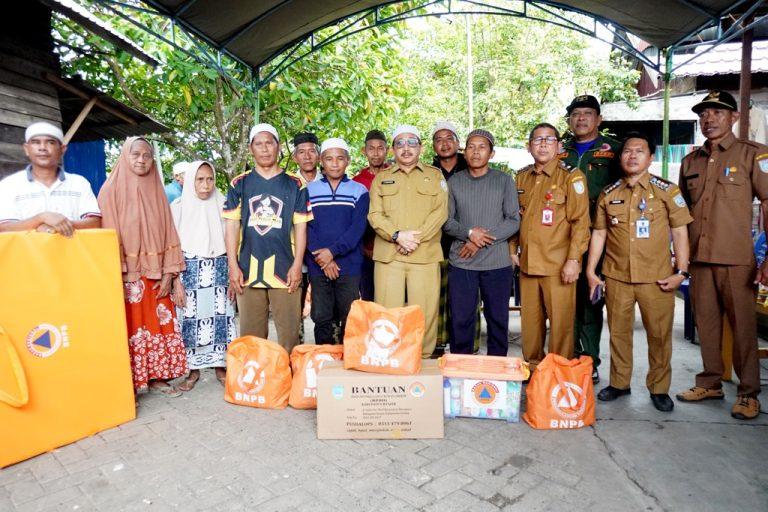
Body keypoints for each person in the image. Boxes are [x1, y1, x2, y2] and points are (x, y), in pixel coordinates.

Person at [676, 90, 768, 420]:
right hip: (700, 259)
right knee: (707, 325)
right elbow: (681, 213)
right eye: (704, 114)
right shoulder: (690, 161)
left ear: (733, 118)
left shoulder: (753, 155)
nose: (709, 119)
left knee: (743, 328)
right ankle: (711, 382)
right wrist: (681, 258)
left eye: (717, 112)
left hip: (736, 259)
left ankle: (748, 393)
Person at [586, 132, 692, 412]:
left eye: (639, 151)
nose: (632, 156)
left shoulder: (666, 191)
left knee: (659, 336)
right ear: (620, 158)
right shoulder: (610, 194)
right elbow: (599, 233)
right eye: (627, 151)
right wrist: (590, 271)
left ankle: (659, 388)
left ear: (651, 157)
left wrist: (681, 271)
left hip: (656, 278)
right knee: (619, 335)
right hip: (617, 276)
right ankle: (619, 383)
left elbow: (680, 232)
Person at [98, 137, 187, 397]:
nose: (141, 160)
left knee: (156, 324)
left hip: (156, 273)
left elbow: (169, 231)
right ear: (125, 156)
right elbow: (106, 234)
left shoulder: (157, 189)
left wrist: (171, 272)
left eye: (147, 155)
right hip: (125, 275)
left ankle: (157, 376)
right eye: (135, 154)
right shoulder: (110, 190)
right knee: (130, 326)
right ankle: (131, 382)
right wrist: (116, 270)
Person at [223, 124, 312, 353]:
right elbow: (232, 226)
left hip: (284, 269)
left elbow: (301, 228)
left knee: (289, 335)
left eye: (269, 143)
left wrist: (296, 266)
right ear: (251, 148)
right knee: (252, 338)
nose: (264, 149)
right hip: (248, 268)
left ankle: (290, 382)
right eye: (258, 144)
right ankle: (256, 385)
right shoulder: (239, 183)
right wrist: (232, 266)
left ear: (278, 147)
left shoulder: (295, 184)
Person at [509, 123, 590, 370]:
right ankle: (533, 368)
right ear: (528, 146)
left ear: (559, 146)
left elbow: (580, 222)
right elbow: (515, 217)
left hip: (558, 266)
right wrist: (512, 249)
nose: (543, 144)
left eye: (549, 140)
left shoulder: (571, 177)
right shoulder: (521, 177)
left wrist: (574, 260)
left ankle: (559, 372)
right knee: (530, 325)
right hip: (528, 264)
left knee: (561, 326)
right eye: (537, 140)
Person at [368, 125, 448, 358]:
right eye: (400, 143)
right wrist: (396, 236)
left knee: (423, 313)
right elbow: (375, 214)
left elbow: (440, 213)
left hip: (424, 255)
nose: (406, 148)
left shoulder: (435, 176)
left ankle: (422, 359)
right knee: (386, 312)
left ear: (420, 148)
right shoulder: (381, 179)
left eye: (411, 143)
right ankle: (388, 358)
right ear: (392, 149)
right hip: (388, 256)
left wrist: (414, 239)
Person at [560, 94, 622, 383]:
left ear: (599, 119)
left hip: (601, 238)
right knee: (565, 298)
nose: (581, 118)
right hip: (563, 238)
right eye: (576, 114)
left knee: (591, 299)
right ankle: (567, 355)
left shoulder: (616, 151)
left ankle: (589, 359)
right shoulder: (559, 152)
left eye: (587, 113)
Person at [443, 129, 519, 356]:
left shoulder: (504, 180)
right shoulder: (454, 182)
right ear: (464, 152)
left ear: (492, 153)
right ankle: (461, 370)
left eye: (482, 147)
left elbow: (514, 220)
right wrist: (469, 233)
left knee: (497, 320)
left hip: (496, 263)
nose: (476, 152)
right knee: (461, 320)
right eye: (471, 147)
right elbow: (446, 221)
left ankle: (496, 372)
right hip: (462, 262)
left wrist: (479, 240)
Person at [171, 161, 236, 391]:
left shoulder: (224, 205)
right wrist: (175, 280)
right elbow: (172, 246)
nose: (206, 185)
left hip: (220, 268)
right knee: (189, 320)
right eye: (200, 179)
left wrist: (232, 272)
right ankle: (193, 370)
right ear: (190, 181)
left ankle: (221, 367)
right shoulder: (178, 207)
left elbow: (232, 241)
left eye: (210, 179)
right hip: (189, 271)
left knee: (221, 317)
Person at [306, 138, 369, 343]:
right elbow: (305, 227)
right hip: (318, 266)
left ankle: (347, 365)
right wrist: (323, 258)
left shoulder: (359, 191)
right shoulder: (308, 191)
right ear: (321, 161)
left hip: (349, 266)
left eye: (340, 158)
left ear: (348, 161)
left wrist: (331, 253)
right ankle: (324, 364)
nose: (334, 163)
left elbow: (357, 229)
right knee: (322, 317)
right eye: (329, 159)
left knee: (349, 317)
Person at [0, 121, 101, 234]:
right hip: (25, 252)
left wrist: (57, 227)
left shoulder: (79, 183)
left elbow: (95, 223)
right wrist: (40, 218)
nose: (42, 148)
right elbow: (4, 228)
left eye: (50, 142)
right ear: (26, 149)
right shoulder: (8, 185)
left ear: (62, 149)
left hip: (71, 252)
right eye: (36, 142)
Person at [430, 121, 478, 357]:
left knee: (465, 301)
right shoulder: (427, 172)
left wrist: (473, 238)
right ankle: (437, 346)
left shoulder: (473, 167)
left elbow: (483, 208)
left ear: (458, 143)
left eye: (449, 138)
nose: (444, 143)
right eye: (439, 139)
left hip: (468, 245)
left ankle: (466, 350)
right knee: (435, 298)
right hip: (435, 244)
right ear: (433, 146)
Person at [353, 129, 389, 301]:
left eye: (380, 148)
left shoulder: (396, 176)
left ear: (387, 150)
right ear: (364, 151)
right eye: (371, 148)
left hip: (392, 249)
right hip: (365, 252)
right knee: (369, 297)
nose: (376, 153)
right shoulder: (357, 182)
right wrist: (364, 248)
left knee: (392, 299)